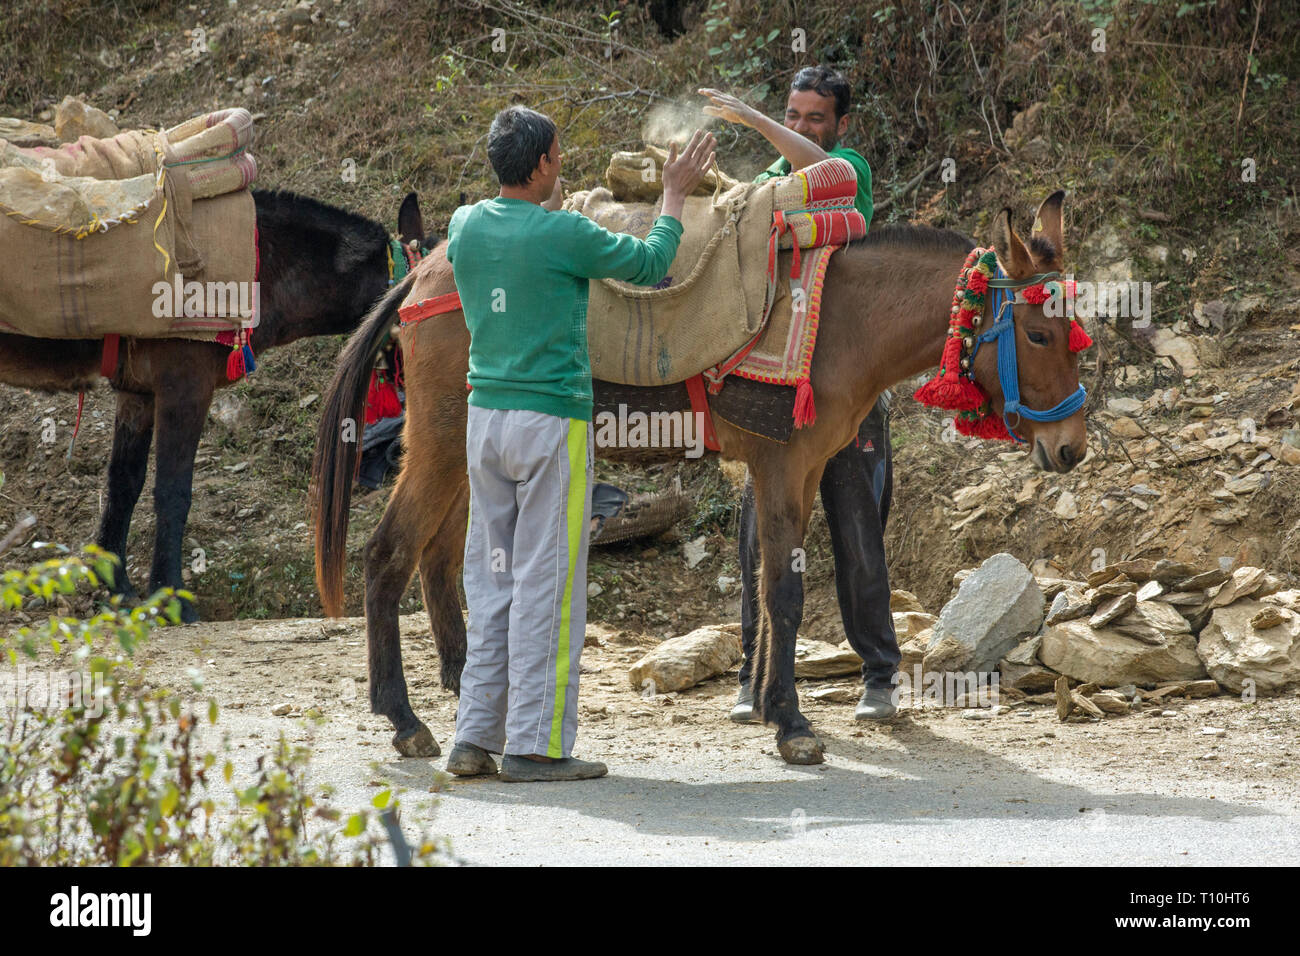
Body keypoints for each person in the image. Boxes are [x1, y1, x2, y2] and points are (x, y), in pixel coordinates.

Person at [444, 105, 716, 781]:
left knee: (492, 575)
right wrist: (675, 193)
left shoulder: (464, 225)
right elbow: (654, 264)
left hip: (486, 423)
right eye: (558, 156)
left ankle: (474, 737)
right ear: (540, 165)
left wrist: (541, 207)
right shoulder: (567, 233)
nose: (562, 164)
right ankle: (535, 747)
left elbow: (504, 246)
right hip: (549, 426)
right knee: (549, 583)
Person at [700, 66, 902, 723]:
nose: (802, 126)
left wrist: (755, 120)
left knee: (857, 530)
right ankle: (754, 673)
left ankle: (879, 675)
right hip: (778, 388)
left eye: (815, 118)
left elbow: (822, 171)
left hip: (848, 393)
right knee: (763, 533)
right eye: (793, 113)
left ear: (840, 125)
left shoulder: (848, 170)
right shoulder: (768, 184)